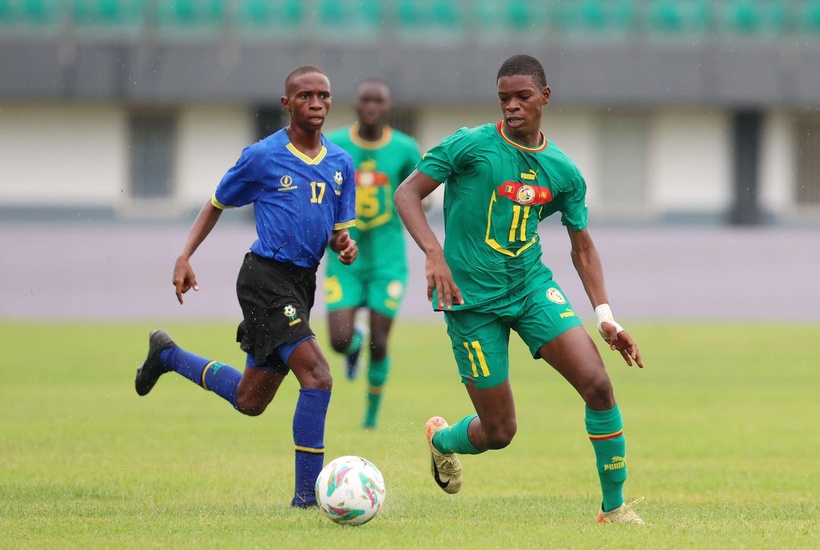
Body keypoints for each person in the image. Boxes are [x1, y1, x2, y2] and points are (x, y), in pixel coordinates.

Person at [393, 54, 646, 524]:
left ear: (544, 98)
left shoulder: (563, 172)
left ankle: (614, 508)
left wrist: (606, 315)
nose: (512, 105)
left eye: (522, 96)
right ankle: (442, 440)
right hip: (471, 304)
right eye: (503, 97)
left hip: (531, 289)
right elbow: (406, 194)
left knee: (598, 385)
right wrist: (434, 253)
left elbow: (582, 245)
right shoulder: (469, 146)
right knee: (500, 431)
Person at [134, 65, 357, 508]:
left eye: (324, 95)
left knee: (249, 400)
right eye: (306, 95)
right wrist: (185, 255)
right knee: (318, 376)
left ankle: (167, 354)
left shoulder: (341, 163)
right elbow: (216, 202)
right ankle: (306, 501)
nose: (316, 103)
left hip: (301, 285)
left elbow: (336, 233)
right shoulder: (262, 156)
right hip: (264, 278)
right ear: (286, 103)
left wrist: (344, 245)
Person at [323, 79, 421, 429]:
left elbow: (423, 192)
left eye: (378, 100)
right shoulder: (334, 145)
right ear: (356, 104)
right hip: (345, 259)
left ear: (387, 106)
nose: (372, 106)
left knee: (381, 342)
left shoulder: (406, 149)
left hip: (388, 261)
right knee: (338, 339)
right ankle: (353, 347)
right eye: (366, 99)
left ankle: (370, 418)